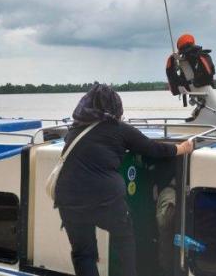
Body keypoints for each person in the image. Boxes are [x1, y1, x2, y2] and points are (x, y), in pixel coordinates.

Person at [55, 84, 194, 276]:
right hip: (104, 199)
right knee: (124, 239)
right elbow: (152, 149)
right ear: (115, 107)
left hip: (68, 199)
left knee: (82, 254)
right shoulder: (118, 129)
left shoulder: (75, 130)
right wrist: (182, 149)